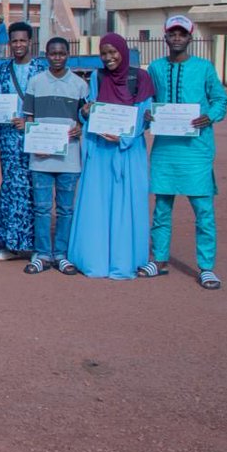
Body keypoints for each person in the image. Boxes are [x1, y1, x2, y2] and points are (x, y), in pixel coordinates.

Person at [147, 15, 227, 289]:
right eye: (173, 33)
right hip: (166, 149)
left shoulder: (204, 68)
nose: (177, 38)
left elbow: (220, 99)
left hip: (197, 149)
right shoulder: (156, 68)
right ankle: (159, 260)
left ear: (190, 38)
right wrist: (148, 112)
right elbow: (148, 98)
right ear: (166, 37)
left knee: (203, 210)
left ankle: (206, 267)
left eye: (182, 33)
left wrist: (210, 116)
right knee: (162, 208)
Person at [68, 33, 155, 280]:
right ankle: (95, 260)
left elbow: (144, 115)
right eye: (104, 53)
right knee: (98, 204)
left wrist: (125, 137)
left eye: (112, 52)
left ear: (123, 51)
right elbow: (92, 109)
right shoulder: (98, 76)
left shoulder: (140, 77)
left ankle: (123, 260)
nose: (108, 58)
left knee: (125, 204)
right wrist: (85, 113)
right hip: (100, 150)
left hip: (128, 152)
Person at [21, 37, 87, 275]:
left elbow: (84, 118)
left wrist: (80, 127)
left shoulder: (80, 85)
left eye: (61, 53)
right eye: (52, 53)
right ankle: (41, 254)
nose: (57, 57)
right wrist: (33, 141)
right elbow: (29, 118)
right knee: (41, 208)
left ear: (68, 54)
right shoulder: (35, 82)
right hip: (41, 157)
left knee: (66, 210)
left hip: (69, 158)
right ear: (46, 55)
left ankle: (61, 254)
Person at [0, 21, 47, 261]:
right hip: (10, 138)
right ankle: (11, 243)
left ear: (30, 41)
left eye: (23, 40)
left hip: (37, 137)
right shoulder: (2, 70)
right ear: (9, 43)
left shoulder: (42, 70)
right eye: (14, 41)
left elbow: (48, 104)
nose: (19, 45)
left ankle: (36, 245)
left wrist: (30, 123)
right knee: (12, 188)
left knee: (36, 188)